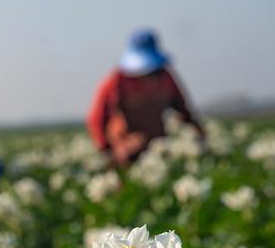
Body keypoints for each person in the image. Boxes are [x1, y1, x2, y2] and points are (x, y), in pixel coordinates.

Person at [87, 29, 205, 166]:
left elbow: (182, 107)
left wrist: (197, 131)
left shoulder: (165, 76)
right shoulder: (117, 80)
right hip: (126, 150)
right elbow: (97, 118)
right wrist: (107, 149)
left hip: (157, 145)